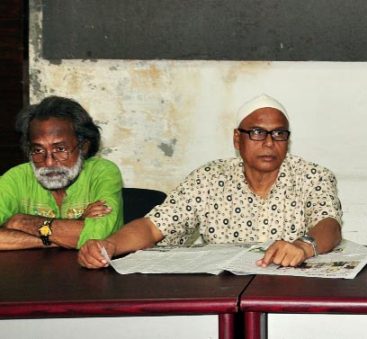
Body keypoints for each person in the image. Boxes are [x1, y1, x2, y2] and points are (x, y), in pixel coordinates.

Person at [78, 94, 342, 268]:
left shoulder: (312, 176)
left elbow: (329, 224)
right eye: (258, 133)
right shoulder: (209, 179)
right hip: (223, 296)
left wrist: (304, 246)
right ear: (238, 139)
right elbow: (152, 227)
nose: (269, 143)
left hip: (287, 294)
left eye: (279, 134)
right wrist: (109, 244)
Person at [0, 96, 122, 250]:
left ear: (83, 146)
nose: (49, 162)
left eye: (60, 149)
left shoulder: (102, 172)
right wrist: (63, 234)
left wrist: (20, 222)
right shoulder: (16, 178)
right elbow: (84, 237)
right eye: (38, 150)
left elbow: (98, 236)